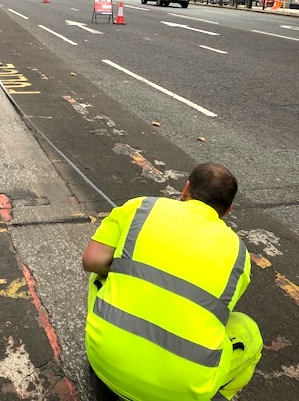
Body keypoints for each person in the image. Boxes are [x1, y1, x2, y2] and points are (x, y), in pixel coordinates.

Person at [82, 162, 262, 401]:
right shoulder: (240, 254)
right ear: (228, 210)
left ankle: (112, 345)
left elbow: (92, 260)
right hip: (182, 391)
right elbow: (219, 313)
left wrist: (130, 270)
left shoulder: (141, 207)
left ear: (185, 189)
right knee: (249, 333)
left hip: (104, 361)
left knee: (101, 276)